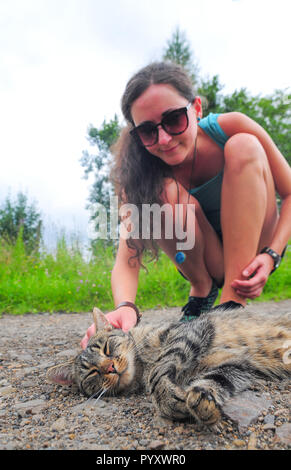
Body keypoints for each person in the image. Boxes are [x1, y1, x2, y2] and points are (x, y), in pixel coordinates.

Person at [81, 62, 291, 349]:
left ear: (196, 108)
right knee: (160, 192)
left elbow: (289, 193)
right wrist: (125, 306)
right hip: (208, 260)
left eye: (174, 119)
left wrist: (272, 255)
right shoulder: (142, 174)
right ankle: (202, 290)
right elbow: (127, 253)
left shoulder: (229, 127)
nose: (164, 139)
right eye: (147, 131)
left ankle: (231, 306)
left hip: (255, 252)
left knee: (244, 144)